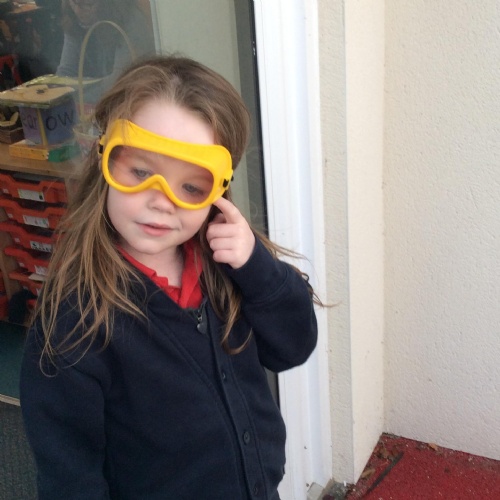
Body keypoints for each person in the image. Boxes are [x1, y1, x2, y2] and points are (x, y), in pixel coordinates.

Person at [20, 55, 319, 499]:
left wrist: (257, 267)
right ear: (104, 159)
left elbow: (293, 346)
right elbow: (70, 473)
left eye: (191, 187)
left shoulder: (229, 267)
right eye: (141, 171)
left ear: (218, 192)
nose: (162, 201)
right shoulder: (74, 319)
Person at [56, 0, 154, 102]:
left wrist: (73, 99)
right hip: (92, 99)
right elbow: (66, 71)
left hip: (128, 99)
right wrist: (55, 94)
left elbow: (119, 81)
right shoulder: (73, 19)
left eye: (88, 4)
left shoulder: (129, 20)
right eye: (73, 2)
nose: (77, 10)